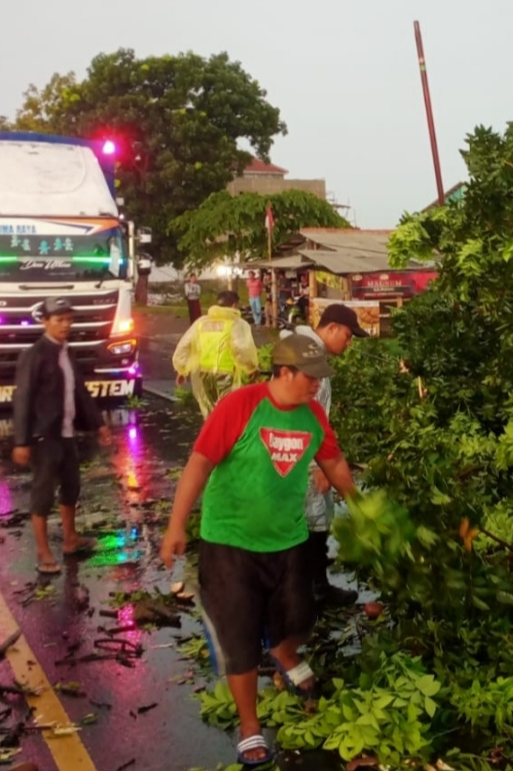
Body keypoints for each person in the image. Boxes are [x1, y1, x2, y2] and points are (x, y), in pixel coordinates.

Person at [160, 335, 358, 767]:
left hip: (287, 540)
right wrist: (176, 525)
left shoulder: (313, 415)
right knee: (241, 638)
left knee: (300, 617)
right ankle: (250, 726)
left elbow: (334, 462)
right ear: (284, 372)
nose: (315, 386)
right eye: (309, 378)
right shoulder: (241, 406)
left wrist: (362, 508)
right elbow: (199, 462)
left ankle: (285, 653)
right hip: (230, 544)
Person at [11, 296, 112, 575]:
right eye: (60, 320)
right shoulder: (35, 355)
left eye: (69, 319)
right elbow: (23, 398)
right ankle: (43, 552)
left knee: (71, 486)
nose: (66, 325)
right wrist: (22, 441)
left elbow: (80, 392)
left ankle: (70, 539)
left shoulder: (67, 352)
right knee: (43, 492)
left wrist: (98, 424)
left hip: (66, 433)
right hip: (44, 436)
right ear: (45, 321)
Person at [280, 303, 369, 605]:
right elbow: (301, 416)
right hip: (303, 457)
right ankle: (312, 588)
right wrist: (319, 465)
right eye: (347, 334)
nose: (349, 341)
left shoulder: (306, 351)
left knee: (312, 518)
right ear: (331, 328)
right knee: (313, 519)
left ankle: (307, 583)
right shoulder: (308, 359)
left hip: (302, 453)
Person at [172, 290, 259, 419]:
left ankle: (211, 437)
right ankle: (225, 438)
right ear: (234, 305)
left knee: (210, 415)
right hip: (226, 374)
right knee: (227, 414)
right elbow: (241, 349)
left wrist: (182, 369)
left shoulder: (201, 322)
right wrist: (251, 368)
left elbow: (185, 345)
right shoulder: (236, 323)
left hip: (203, 374)